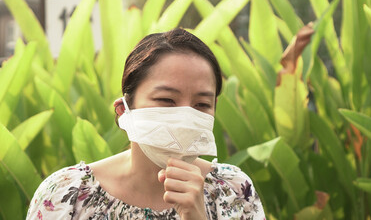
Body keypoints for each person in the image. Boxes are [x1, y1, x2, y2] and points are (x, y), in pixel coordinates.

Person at [26, 28, 266, 220]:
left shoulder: (233, 191)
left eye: (201, 104)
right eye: (166, 100)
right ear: (123, 110)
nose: (184, 116)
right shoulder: (67, 194)